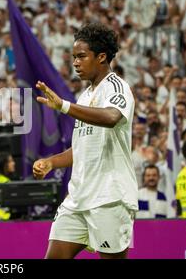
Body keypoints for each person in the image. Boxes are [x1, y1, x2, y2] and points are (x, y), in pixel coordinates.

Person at [33, 23, 138, 259]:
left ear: (101, 57)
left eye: (81, 56)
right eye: (73, 57)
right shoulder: (86, 95)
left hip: (109, 198)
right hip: (78, 198)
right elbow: (81, 147)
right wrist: (51, 163)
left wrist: (64, 106)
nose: (76, 63)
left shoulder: (117, 87)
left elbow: (112, 117)